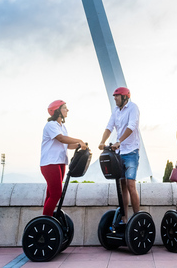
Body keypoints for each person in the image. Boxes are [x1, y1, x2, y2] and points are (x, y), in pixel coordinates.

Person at [98, 86, 140, 224]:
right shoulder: (115, 111)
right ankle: (124, 219)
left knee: (130, 184)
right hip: (119, 153)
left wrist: (119, 141)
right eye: (114, 96)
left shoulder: (133, 108)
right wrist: (102, 141)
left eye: (117, 96)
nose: (115, 98)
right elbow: (109, 127)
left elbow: (132, 126)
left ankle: (137, 218)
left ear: (125, 97)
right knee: (122, 186)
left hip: (131, 152)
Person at [40, 100, 88, 216]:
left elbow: (67, 145)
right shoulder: (51, 125)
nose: (67, 110)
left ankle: (47, 219)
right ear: (57, 111)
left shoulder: (62, 127)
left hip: (60, 163)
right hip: (50, 163)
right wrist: (79, 140)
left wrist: (80, 146)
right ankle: (46, 222)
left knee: (51, 194)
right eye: (65, 108)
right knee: (56, 194)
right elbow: (61, 139)